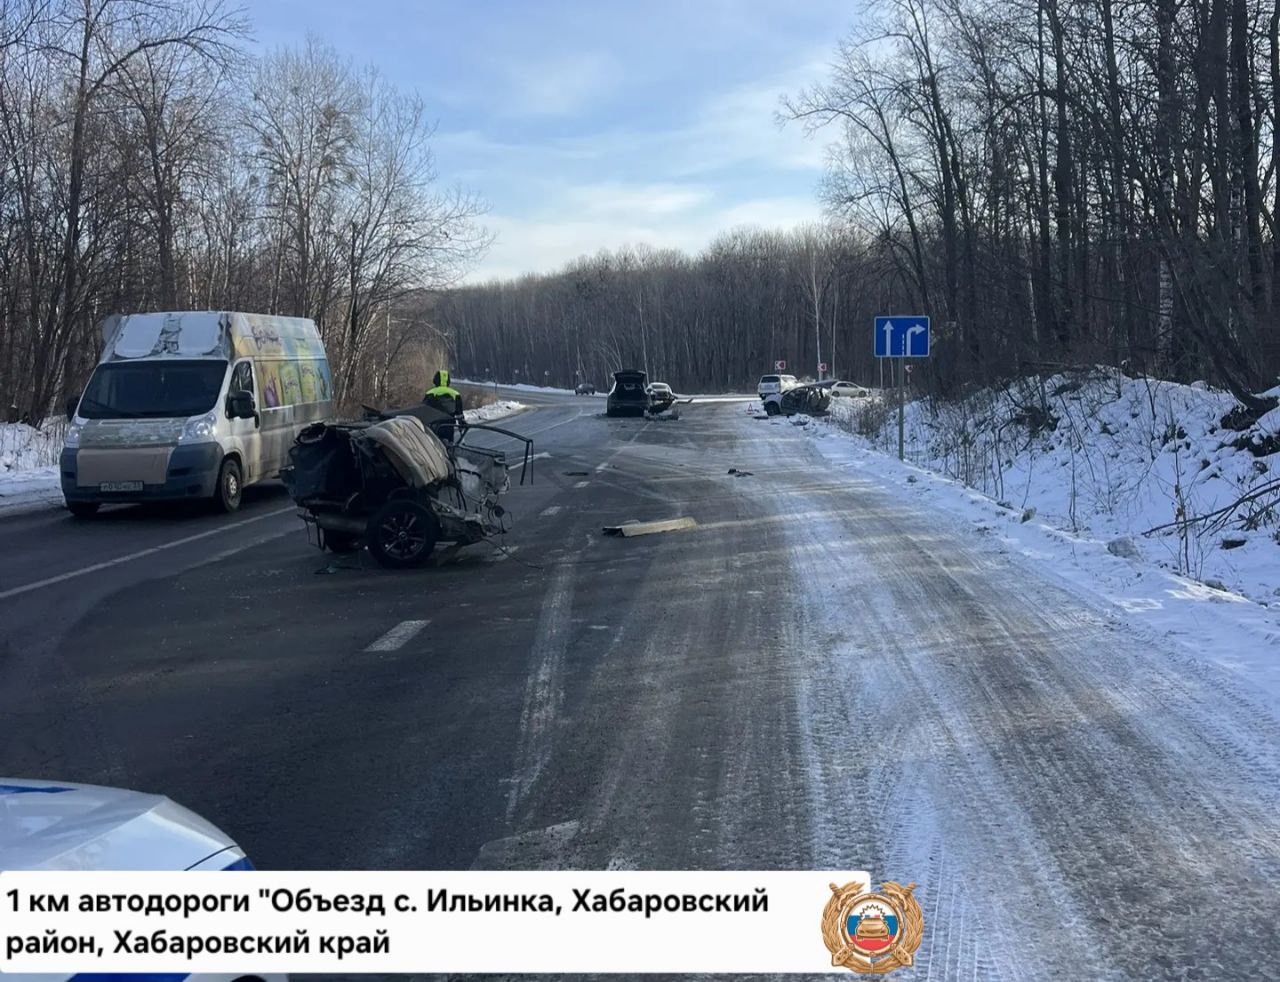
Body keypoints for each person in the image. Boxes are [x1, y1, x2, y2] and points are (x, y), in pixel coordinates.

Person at [422, 369, 464, 442]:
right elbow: (459, 414)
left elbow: (423, 411)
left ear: (435, 380)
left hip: (434, 426)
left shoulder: (430, 393)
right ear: (448, 381)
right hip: (449, 426)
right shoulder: (456, 394)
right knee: (449, 447)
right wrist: (462, 428)